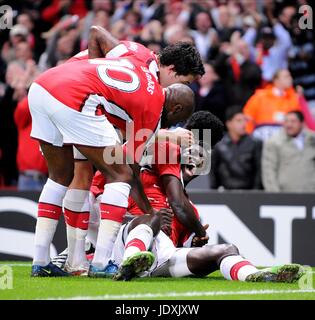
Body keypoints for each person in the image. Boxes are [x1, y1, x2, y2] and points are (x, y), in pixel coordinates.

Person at [29, 33, 196, 277]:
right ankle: (100, 263)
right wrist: (150, 212)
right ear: (176, 108)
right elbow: (130, 171)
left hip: (44, 85)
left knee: (60, 176)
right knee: (118, 174)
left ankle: (42, 261)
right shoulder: (153, 110)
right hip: (78, 96)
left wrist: (90, 68)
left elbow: (95, 32)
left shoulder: (138, 53)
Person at [210, 107, 262, 190]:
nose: (244, 124)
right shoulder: (219, 145)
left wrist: (255, 192)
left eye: (245, 120)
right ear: (228, 123)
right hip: (225, 191)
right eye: (239, 121)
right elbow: (213, 171)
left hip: (249, 193)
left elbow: (258, 172)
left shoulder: (255, 143)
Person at [262, 111, 315, 192]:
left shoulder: (312, 139)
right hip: (286, 194)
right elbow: (269, 171)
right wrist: (274, 195)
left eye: (293, 121)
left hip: (311, 194)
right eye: (286, 121)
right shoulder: (274, 142)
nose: (289, 125)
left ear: (302, 123)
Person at [243, 69, 302, 141]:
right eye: (286, 77)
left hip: (285, 138)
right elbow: (248, 117)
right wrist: (248, 138)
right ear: (276, 80)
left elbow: (298, 121)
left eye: (290, 76)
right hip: (261, 136)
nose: (290, 79)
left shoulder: (293, 98)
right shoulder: (260, 96)